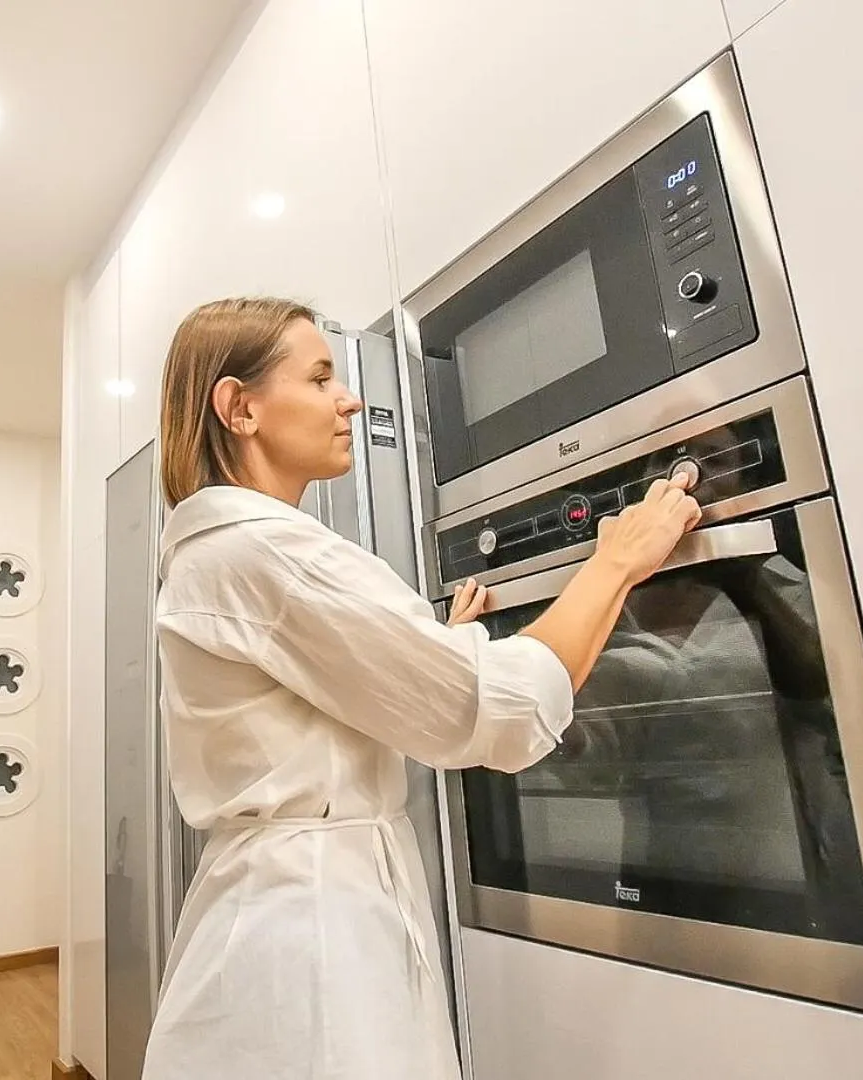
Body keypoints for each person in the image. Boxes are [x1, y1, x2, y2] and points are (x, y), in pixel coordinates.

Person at [140, 297, 703, 1080]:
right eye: (319, 377)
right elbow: (493, 715)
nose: (349, 398)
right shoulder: (264, 551)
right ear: (239, 407)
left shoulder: (228, 554)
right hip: (312, 936)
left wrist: (440, 649)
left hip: (276, 910)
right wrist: (616, 560)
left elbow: (350, 693)